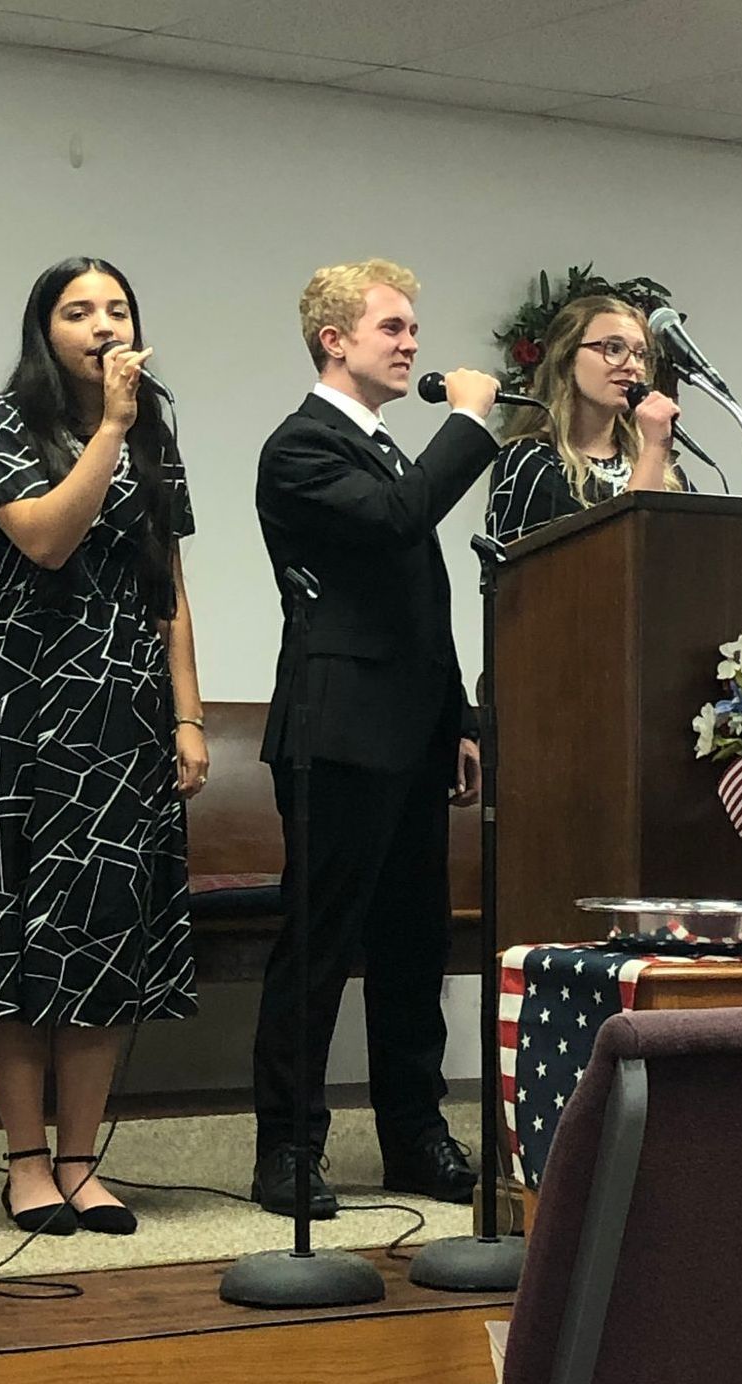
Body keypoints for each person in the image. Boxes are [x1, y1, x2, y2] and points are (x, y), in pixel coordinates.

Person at [0, 257, 208, 1236]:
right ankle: (24, 1160)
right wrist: (112, 432)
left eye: (117, 307)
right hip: (26, 713)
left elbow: (165, 583)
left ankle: (83, 1161)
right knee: (18, 938)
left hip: (122, 720)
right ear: (42, 328)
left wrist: (187, 714)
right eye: (77, 309)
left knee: (100, 937)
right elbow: (45, 538)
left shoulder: (155, 433)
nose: (101, 323)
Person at [250, 258, 499, 1216]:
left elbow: (417, 602)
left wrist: (460, 721)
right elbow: (400, 524)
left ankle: (413, 1134)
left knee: (413, 944)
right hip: (338, 731)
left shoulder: (389, 448)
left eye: (410, 331)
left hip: (413, 731)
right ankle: (289, 1147)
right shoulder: (302, 446)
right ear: (334, 340)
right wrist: (471, 423)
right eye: (392, 329)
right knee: (319, 941)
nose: (410, 346)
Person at [484, 295, 685, 544]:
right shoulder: (530, 462)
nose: (633, 365)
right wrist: (655, 448)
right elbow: (620, 555)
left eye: (641, 354)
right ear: (567, 358)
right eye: (613, 348)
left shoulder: (659, 467)